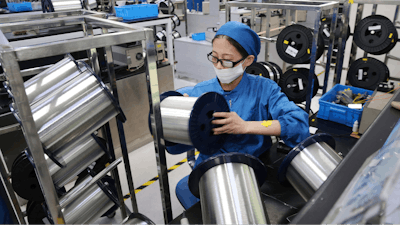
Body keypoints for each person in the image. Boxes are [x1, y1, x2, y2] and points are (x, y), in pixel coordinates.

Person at [175, 21, 310, 209]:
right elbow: (174, 145)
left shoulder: (264, 89)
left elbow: (298, 124)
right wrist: (180, 114)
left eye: (227, 60)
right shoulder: (201, 92)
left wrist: (246, 126)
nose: (219, 66)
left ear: (247, 61)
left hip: (251, 168)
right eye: (214, 58)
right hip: (210, 168)